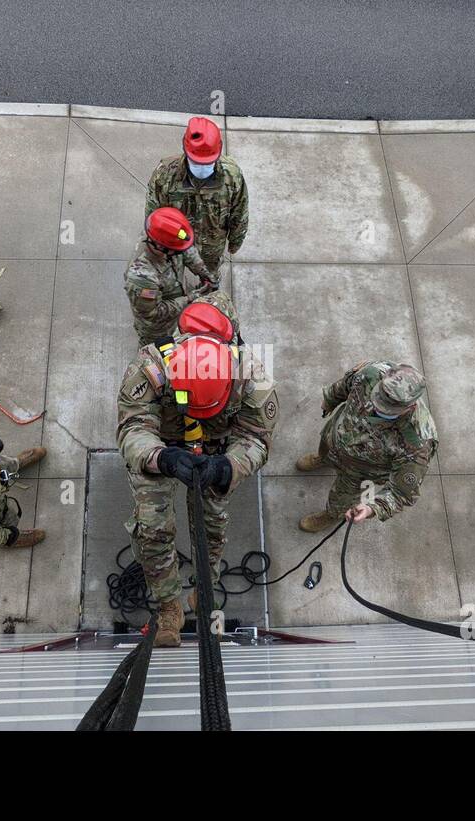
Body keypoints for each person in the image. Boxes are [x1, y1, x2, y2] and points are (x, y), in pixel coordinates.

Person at [117, 318, 276, 647]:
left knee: (212, 525)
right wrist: (161, 458)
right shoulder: (150, 365)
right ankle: (168, 606)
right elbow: (133, 427)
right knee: (151, 528)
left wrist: (228, 468)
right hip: (161, 445)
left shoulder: (253, 376)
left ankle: (204, 587)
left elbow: (257, 438)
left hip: (217, 452)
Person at [295, 362, 437, 532]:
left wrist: (372, 508)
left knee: (342, 499)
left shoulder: (418, 441)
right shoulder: (372, 373)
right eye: (379, 397)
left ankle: (331, 515)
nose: (376, 408)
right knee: (325, 448)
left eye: (388, 408)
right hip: (336, 436)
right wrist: (330, 400)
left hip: (360, 472)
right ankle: (323, 459)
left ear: (410, 407)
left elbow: (401, 494)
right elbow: (345, 385)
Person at [145, 116, 249, 278]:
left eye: (207, 163)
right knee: (173, 279)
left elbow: (239, 213)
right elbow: (153, 211)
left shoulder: (232, 176)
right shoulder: (165, 174)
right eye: (196, 162)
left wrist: (236, 241)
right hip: (174, 242)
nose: (201, 167)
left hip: (211, 246)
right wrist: (154, 243)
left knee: (210, 279)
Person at [125, 207, 215, 346]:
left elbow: (185, 247)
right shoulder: (142, 278)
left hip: (174, 298)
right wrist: (189, 299)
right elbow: (153, 313)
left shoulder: (160, 233)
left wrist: (202, 271)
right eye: (175, 250)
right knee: (156, 349)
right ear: (161, 248)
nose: (179, 252)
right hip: (158, 328)